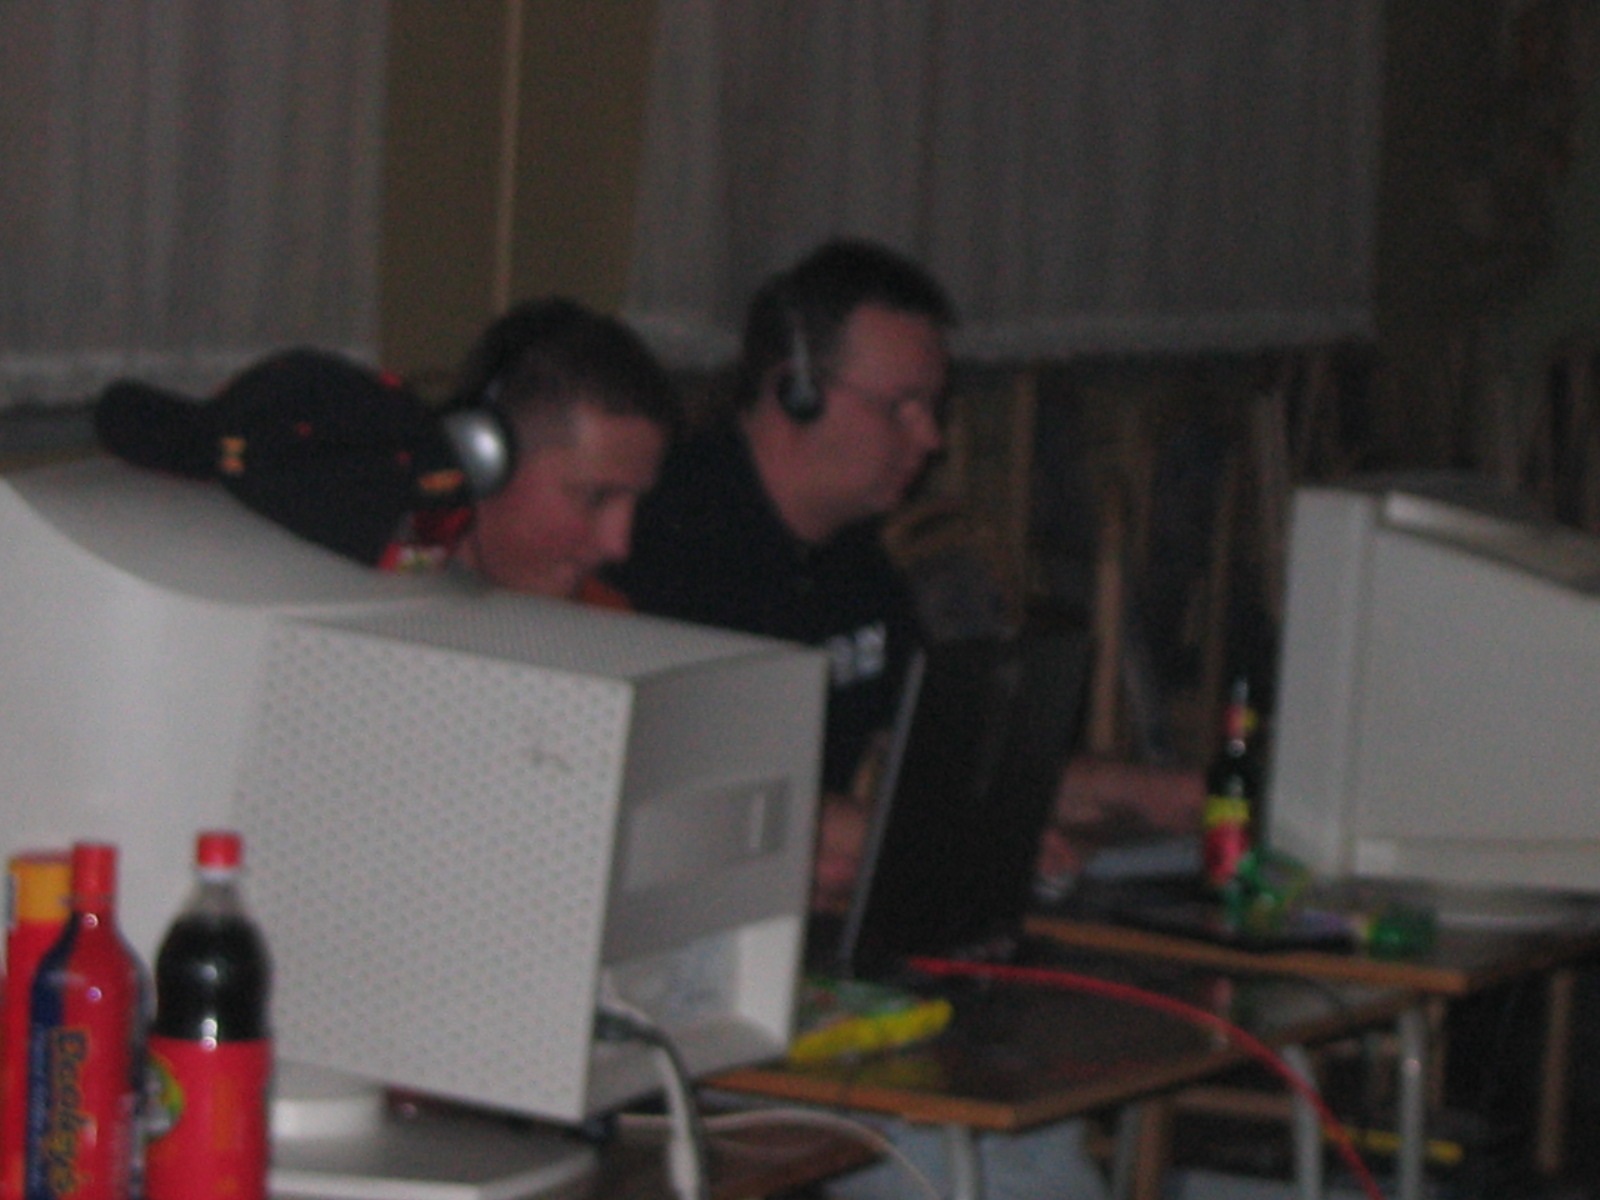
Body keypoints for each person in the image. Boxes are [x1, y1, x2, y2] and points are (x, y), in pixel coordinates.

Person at [609, 240, 1110, 1200]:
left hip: (821, 971)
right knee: (990, 1164)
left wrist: (1147, 794)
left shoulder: (854, 561)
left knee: (1037, 1128)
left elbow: (927, 749)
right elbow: (679, 802)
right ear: (796, 392)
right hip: (698, 1002)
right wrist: (874, 833)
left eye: (934, 407)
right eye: (902, 406)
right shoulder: (666, 544)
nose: (931, 437)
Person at [447, 297, 679, 604]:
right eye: (596, 497)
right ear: (476, 460)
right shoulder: (386, 607)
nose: (617, 546)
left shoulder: (606, 618)